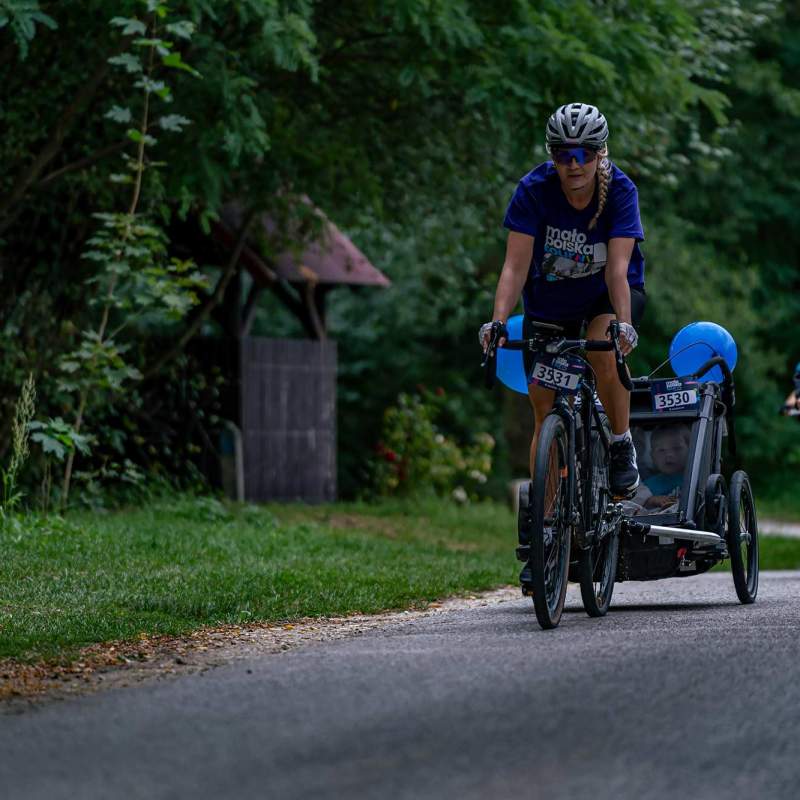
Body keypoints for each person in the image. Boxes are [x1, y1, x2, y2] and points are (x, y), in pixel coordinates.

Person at [481, 102, 646, 496]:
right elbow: (514, 267)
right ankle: (548, 528)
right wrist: (498, 321)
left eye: (584, 154)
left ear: (600, 153)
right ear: (551, 155)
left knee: (603, 347)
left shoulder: (620, 191)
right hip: (549, 304)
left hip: (606, 297)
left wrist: (623, 325)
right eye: (563, 155)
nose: (574, 165)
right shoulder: (533, 190)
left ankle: (621, 444)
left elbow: (616, 270)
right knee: (545, 412)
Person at [632, 424, 691, 511]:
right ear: (652, 456)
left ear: (690, 450)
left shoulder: (695, 478)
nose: (669, 454)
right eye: (661, 450)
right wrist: (650, 501)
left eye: (677, 448)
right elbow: (635, 507)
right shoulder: (646, 487)